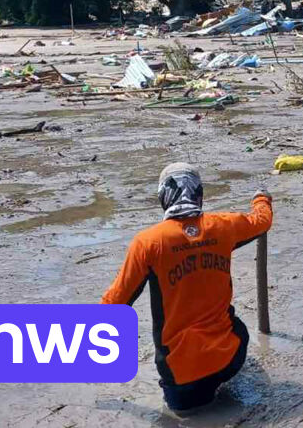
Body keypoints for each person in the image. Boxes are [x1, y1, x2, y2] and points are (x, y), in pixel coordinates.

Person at [102, 163, 273, 415]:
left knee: (184, 414)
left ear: (163, 197)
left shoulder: (148, 243)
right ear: (199, 194)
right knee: (237, 328)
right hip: (229, 358)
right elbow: (262, 221)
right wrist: (261, 197)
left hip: (181, 380)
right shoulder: (223, 226)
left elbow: (114, 306)